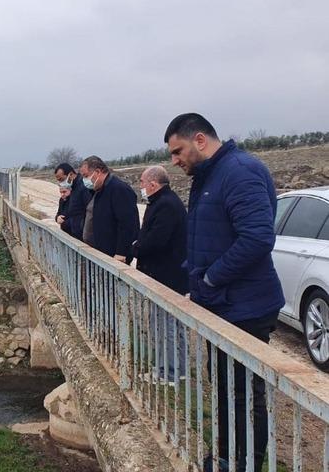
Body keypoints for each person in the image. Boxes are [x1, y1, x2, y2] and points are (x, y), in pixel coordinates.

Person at [165, 113, 283, 472]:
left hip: (244, 306)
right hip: (223, 303)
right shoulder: (209, 176)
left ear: (200, 140)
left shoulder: (239, 172)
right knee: (227, 390)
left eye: (178, 151)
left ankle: (244, 463)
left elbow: (258, 238)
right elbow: (209, 238)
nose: (175, 160)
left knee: (244, 395)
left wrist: (212, 278)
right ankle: (227, 456)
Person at [132, 165, 188, 385]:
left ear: (153, 184)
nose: (141, 186)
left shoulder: (165, 205)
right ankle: (175, 368)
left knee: (166, 325)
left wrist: (136, 247)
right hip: (170, 274)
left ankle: (170, 372)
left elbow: (157, 240)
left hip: (165, 275)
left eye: (143, 182)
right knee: (172, 324)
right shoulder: (166, 201)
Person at [78, 156, 140, 263]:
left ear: (97, 171)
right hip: (99, 254)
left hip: (114, 257)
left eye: (86, 176)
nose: (84, 180)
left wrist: (121, 252)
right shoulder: (98, 190)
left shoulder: (118, 189)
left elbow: (128, 224)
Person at [54, 163, 92, 241]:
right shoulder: (73, 187)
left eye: (61, 179)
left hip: (84, 237)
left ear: (70, 175)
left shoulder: (83, 187)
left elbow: (89, 211)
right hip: (75, 235)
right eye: (58, 181)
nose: (60, 183)